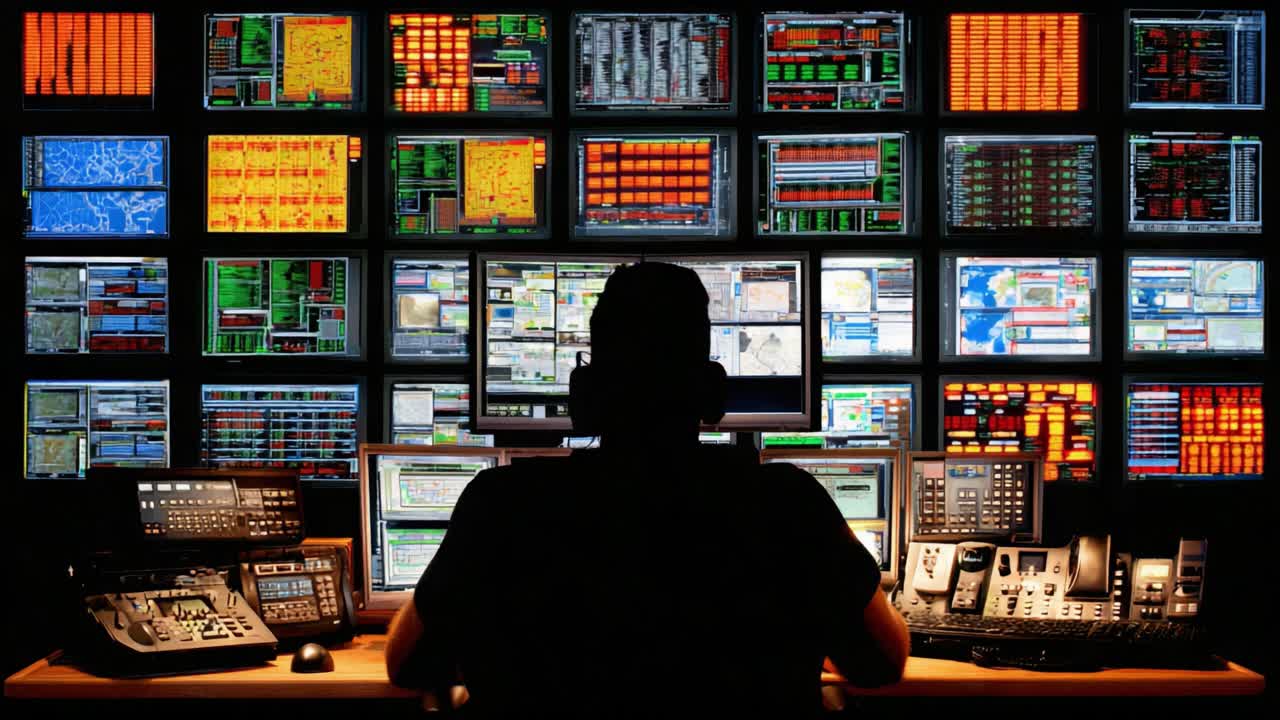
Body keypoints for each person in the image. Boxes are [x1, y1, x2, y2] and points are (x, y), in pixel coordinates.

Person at [386, 262, 909, 716]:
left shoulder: (501, 504)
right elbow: (881, 663)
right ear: (712, 393)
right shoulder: (789, 503)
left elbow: (408, 664)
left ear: (583, 395)